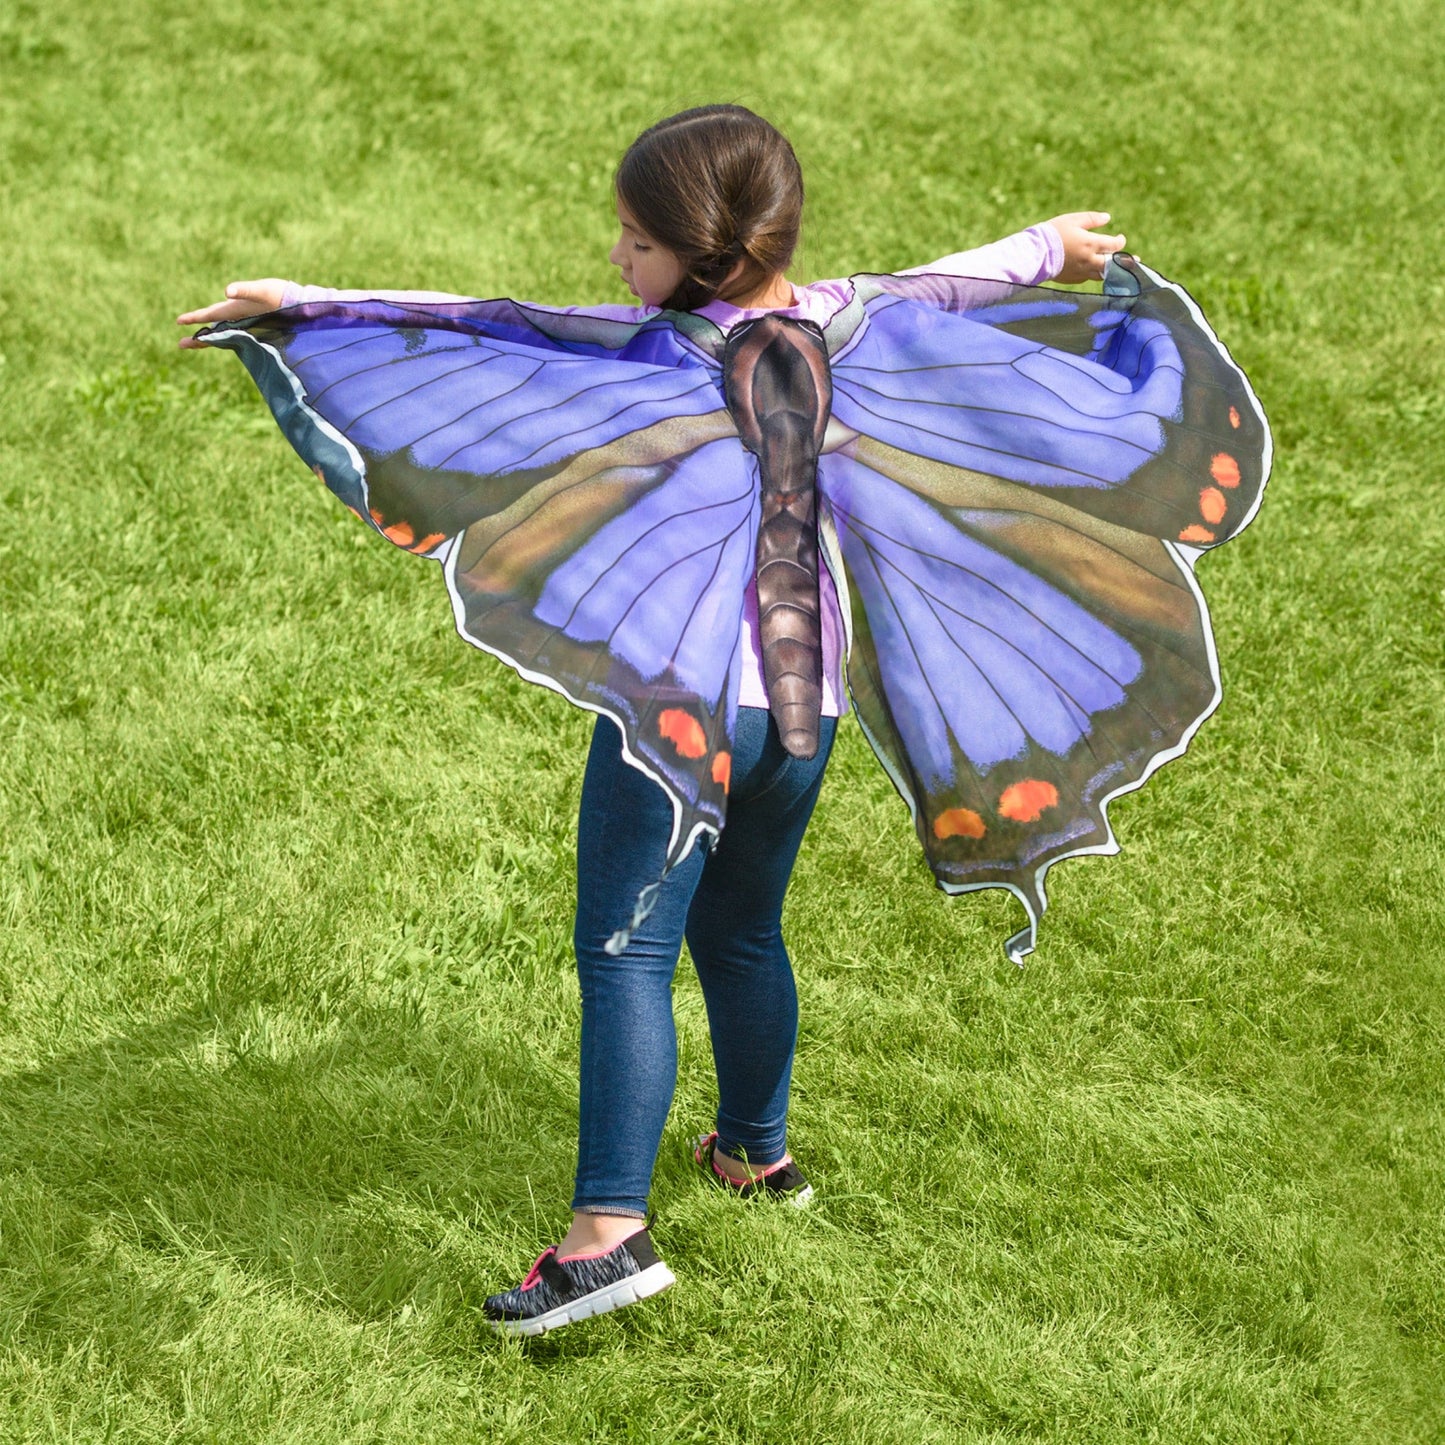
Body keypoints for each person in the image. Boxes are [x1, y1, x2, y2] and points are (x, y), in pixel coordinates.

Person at [179, 105, 1264, 1336]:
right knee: (741, 932)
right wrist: (1047, 245)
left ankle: (605, 1236)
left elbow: (476, 326)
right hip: (804, 721)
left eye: (632, 243)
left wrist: (302, 306)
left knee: (626, 947)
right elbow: (953, 282)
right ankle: (754, 1151)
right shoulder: (848, 316)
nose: (614, 263)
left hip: (684, 716)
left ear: (694, 258)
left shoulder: (644, 352)